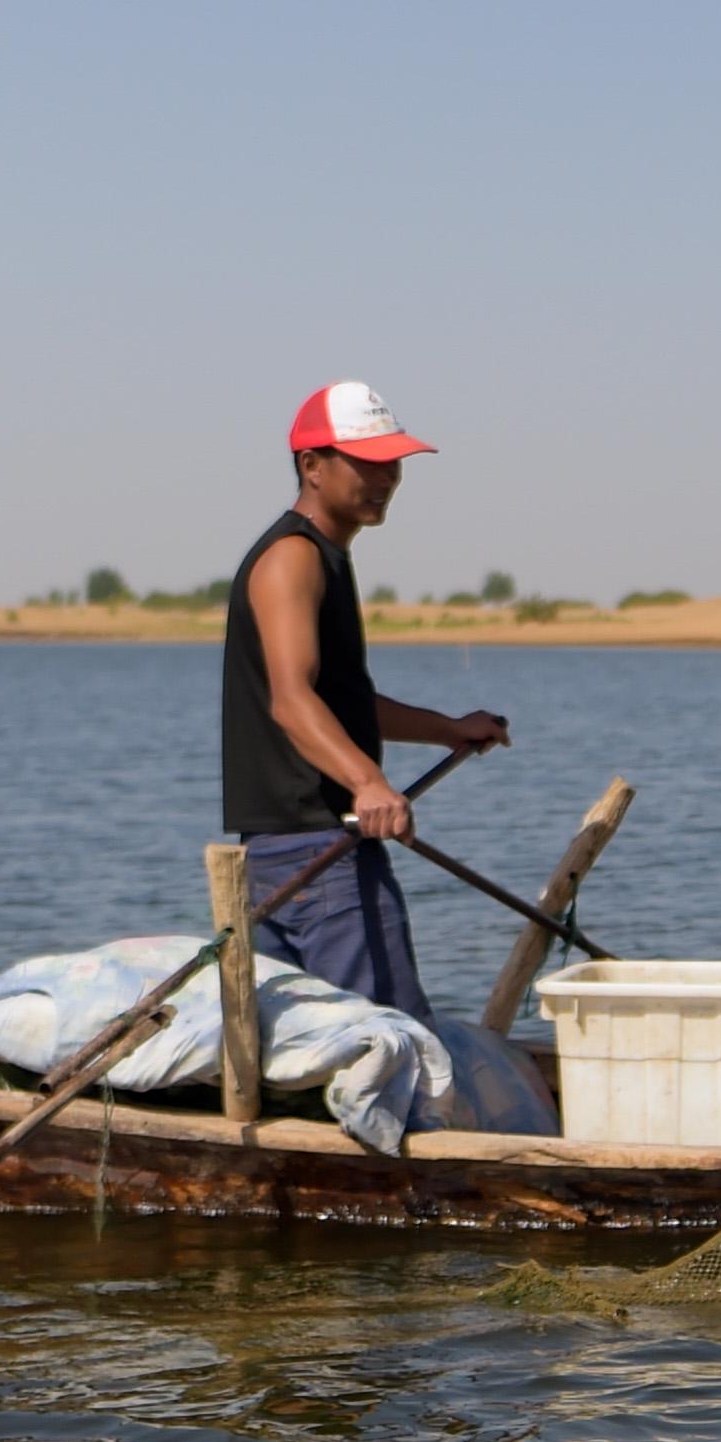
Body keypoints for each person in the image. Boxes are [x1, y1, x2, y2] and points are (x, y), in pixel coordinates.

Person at [221, 379, 509, 1023]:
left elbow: (344, 702)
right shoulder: (293, 557)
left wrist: (448, 729)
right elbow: (292, 702)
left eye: (393, 462)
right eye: (366, 462)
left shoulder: (326, 557)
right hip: (317, 857)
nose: (384, 478)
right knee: (391, 1042)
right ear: (313, 465)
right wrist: (369, 783)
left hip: (284, 854)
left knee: (310, 1053)